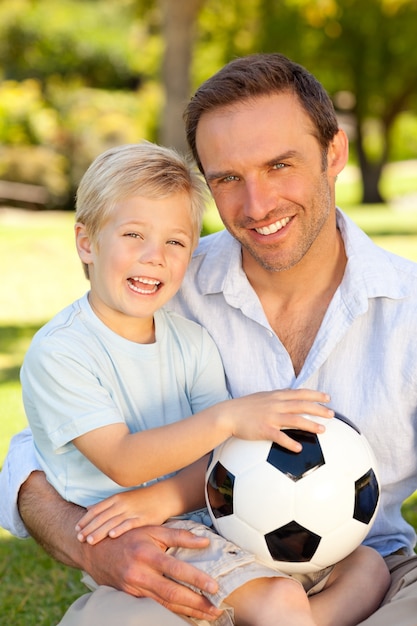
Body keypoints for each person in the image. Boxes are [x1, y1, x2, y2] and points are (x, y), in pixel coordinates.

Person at [1, 52, 417, 625]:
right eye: (227, 178)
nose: (257, 204)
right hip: (197, 553)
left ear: (334, 154)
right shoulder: (166, 284)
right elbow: (41, 449)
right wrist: (87, 539)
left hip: (371, 566)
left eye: (279, 165)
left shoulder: (409, 310)